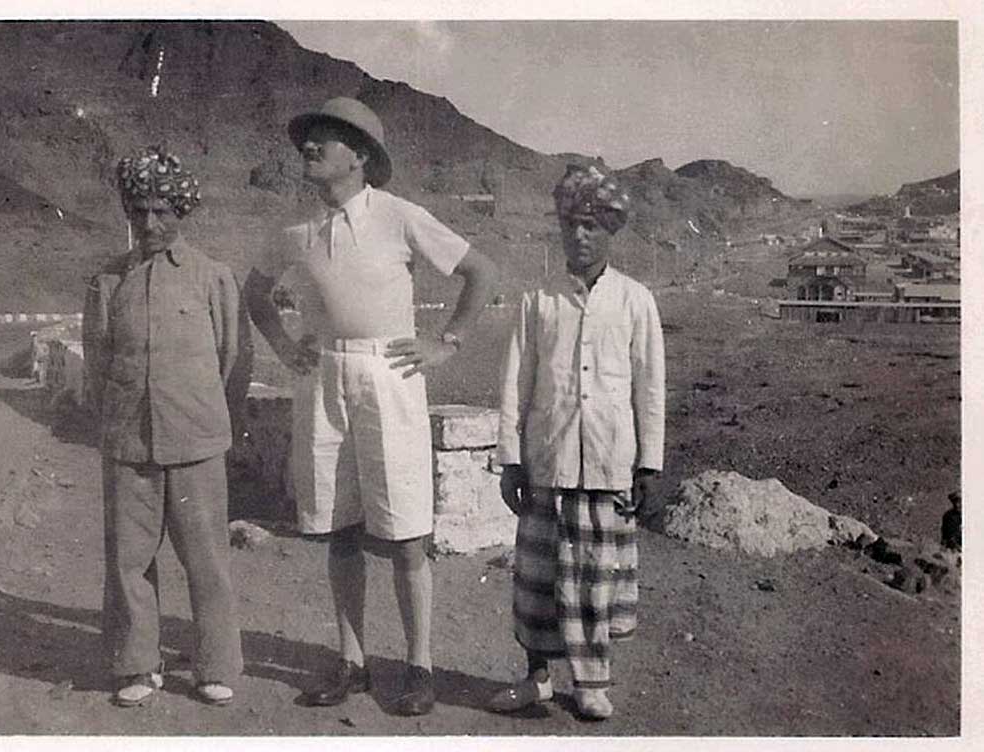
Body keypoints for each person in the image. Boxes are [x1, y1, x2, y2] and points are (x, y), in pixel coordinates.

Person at [245, 97, 496, 716]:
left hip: (390, 377)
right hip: (324, 379)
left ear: (359, 155)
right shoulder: (296, 231)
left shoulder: (400, 216)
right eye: (307, 138)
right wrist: (284, 345)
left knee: (406, 534)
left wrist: (447, 343)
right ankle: (351, 662)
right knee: (340, 530)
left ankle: (419, 666)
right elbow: (255, 293)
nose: (310, 147)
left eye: (325, 138)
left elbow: (482, 273)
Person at [489, 164, 665, 720]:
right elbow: (516, 383)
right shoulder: (537, 300)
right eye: (571, 225)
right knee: (539, 579)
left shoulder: (635, 300)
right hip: (548, 460)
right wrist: (510, 460)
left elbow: (650, 387)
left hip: (608, 464)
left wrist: (649, 465)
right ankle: (537, 678)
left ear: (610, 230)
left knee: (593, 581)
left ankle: (591, 683)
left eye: (591, 225)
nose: (580, 235)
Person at [83, 145, 245, 708]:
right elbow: (98, 363)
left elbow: (230, 358)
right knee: (128, 560)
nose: (150, 224)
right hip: (129, 443)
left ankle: (215, 666)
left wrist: (203, 417)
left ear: (181, 210)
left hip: (197, 442)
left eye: (162, 211)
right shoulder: (108, 282)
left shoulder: (212, 277)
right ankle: (136, 664)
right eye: (139, 211)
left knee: (207, 561)